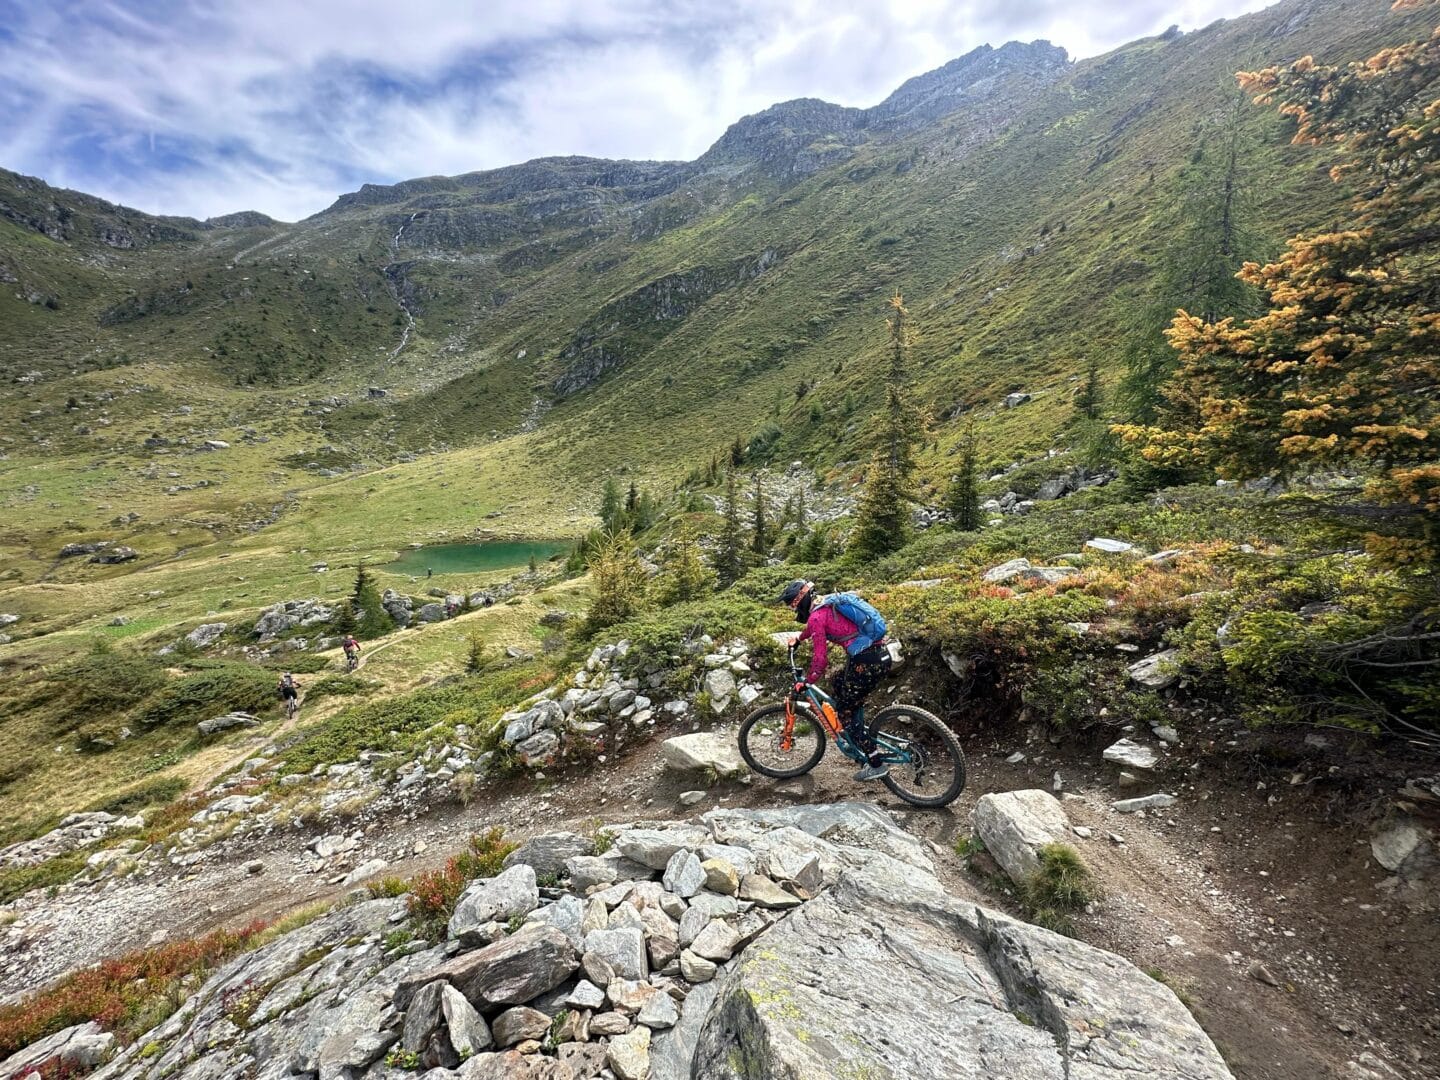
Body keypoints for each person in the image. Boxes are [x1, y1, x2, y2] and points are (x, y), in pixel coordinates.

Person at [780, 580, 893, 780]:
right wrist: (799, 638)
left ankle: (876, 764)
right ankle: (856, 730)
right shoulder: (825, 604)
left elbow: (820, 660)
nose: (794, 610)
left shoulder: (816, 616)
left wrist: (808, 681)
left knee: (844, 714)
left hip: (866, 663)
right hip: (878, 656)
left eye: (793, 605)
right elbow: (815, 628)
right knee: (838, 680)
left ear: (801, 601)